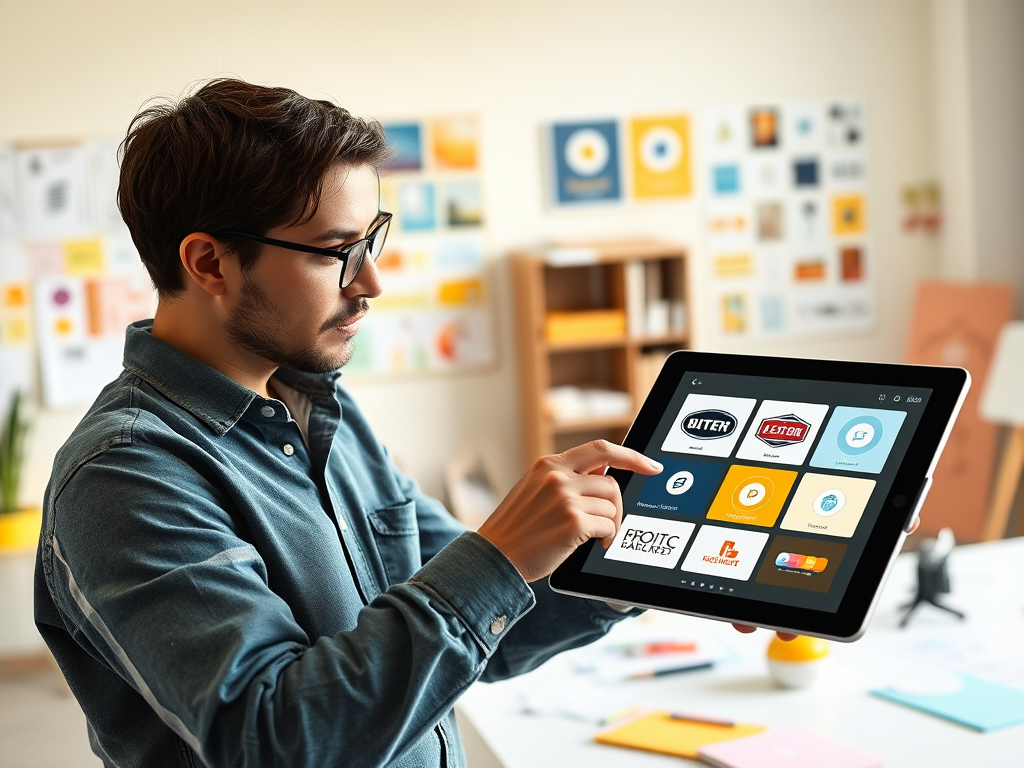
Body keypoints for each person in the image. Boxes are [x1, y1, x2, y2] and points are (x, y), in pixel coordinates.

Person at [33, 79, 775, 768]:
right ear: (210, 264)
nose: (373, 282)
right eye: (335, 252)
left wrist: (649, 555)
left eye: (372, 238)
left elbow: (488, 629)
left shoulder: (325, 411)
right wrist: (501, 556)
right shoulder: (124, 474)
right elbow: (273, 739)